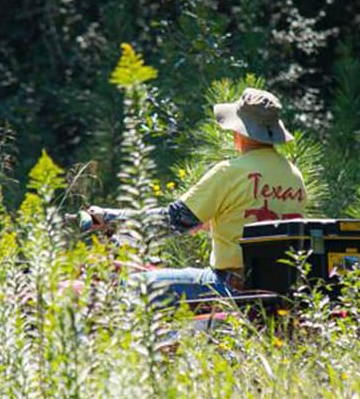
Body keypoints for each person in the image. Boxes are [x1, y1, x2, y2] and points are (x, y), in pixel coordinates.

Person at [87, 87, 306, 302]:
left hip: (231, 286)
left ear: (239, 132)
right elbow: (261, 221)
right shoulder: (294, 175)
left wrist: (108, 217)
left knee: (129, 287)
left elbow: (173, 221)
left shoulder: (230, 171)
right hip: (281, 288)